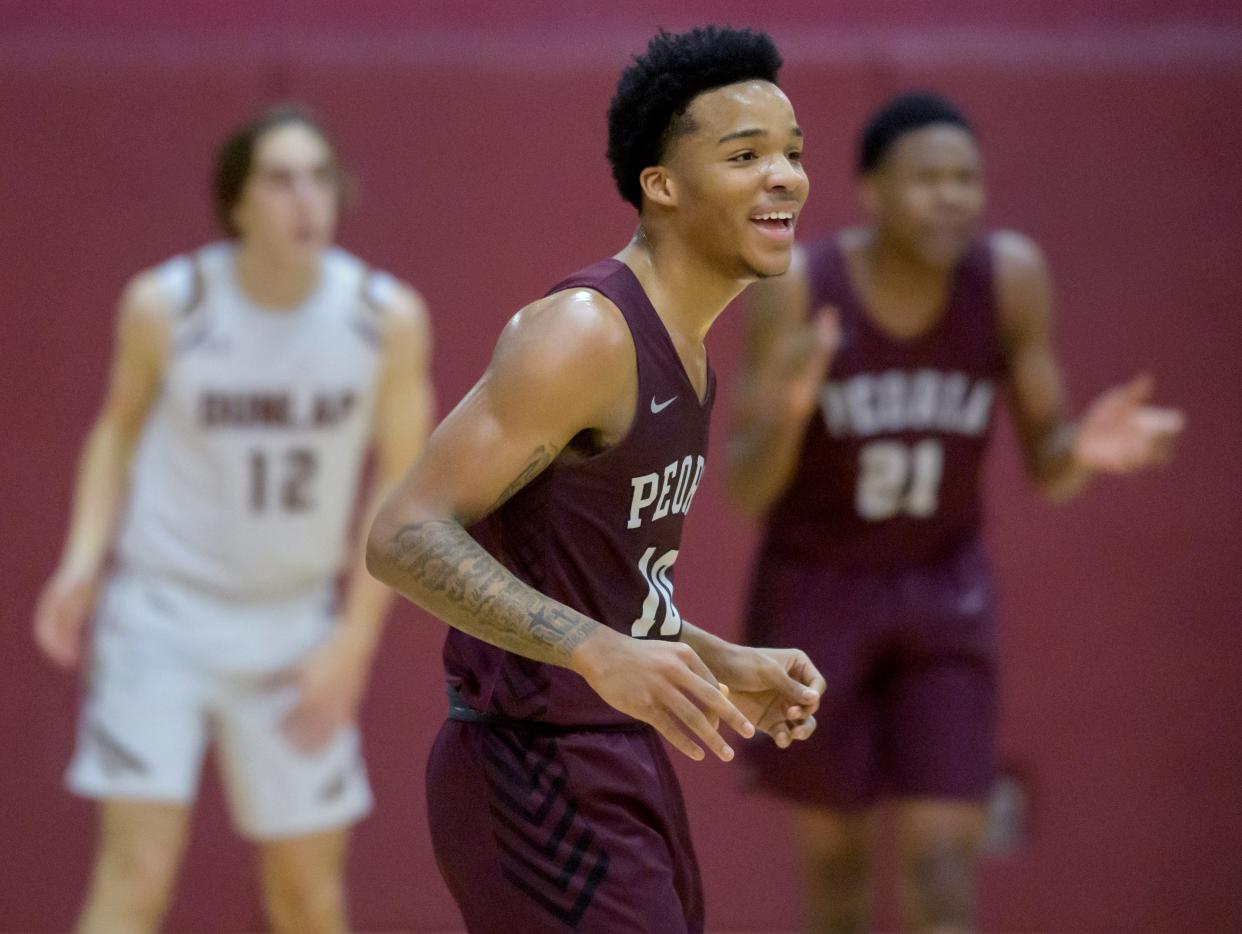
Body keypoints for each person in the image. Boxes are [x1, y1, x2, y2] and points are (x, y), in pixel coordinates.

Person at [366, 26, 825, 934]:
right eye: (746, 155)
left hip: (614, 757)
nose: (785, 176)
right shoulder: (585, 332)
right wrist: (593, 652)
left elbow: (588, 583)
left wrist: (709, 656)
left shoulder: (687, 357)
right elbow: (402, 534)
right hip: (529, 764)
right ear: (662, 186)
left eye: (792, 153)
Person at [727, 91, 1185, 933]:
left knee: (942, 865)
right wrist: (792, 405)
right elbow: (745, 488)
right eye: (927, 179)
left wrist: (1084, 448)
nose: (951, 197)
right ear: (870, 191)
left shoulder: (1009, 278)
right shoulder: (800, 287)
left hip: (944, 591)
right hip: (817, 593)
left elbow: (1049, 465)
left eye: (966, 179)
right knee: (837, 871)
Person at [32, 104, 433, 934]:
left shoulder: (385, 319)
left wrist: (352, 648)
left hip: (294, 623)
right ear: (238, 203)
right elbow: (114, 435)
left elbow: (406, 485)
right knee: (135, 873)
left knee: (306, 893)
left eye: (320, 178)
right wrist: (80, 561)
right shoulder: (166, 304)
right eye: (281, 180)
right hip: (161, 614)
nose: (306, 199)